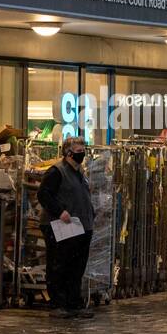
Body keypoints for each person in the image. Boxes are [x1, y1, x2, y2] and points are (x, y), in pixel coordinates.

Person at [37, 136, 96, 319]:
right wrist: (59, 211)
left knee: (76, 267)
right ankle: (58, 303)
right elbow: (43, 194)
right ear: (68, 153)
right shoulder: (57, 171)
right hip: (61, 226)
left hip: (81, 226)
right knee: (58, 265)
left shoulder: (79, 172)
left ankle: (73, 303)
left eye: (83, 151)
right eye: (79, 152)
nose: (82, 155)